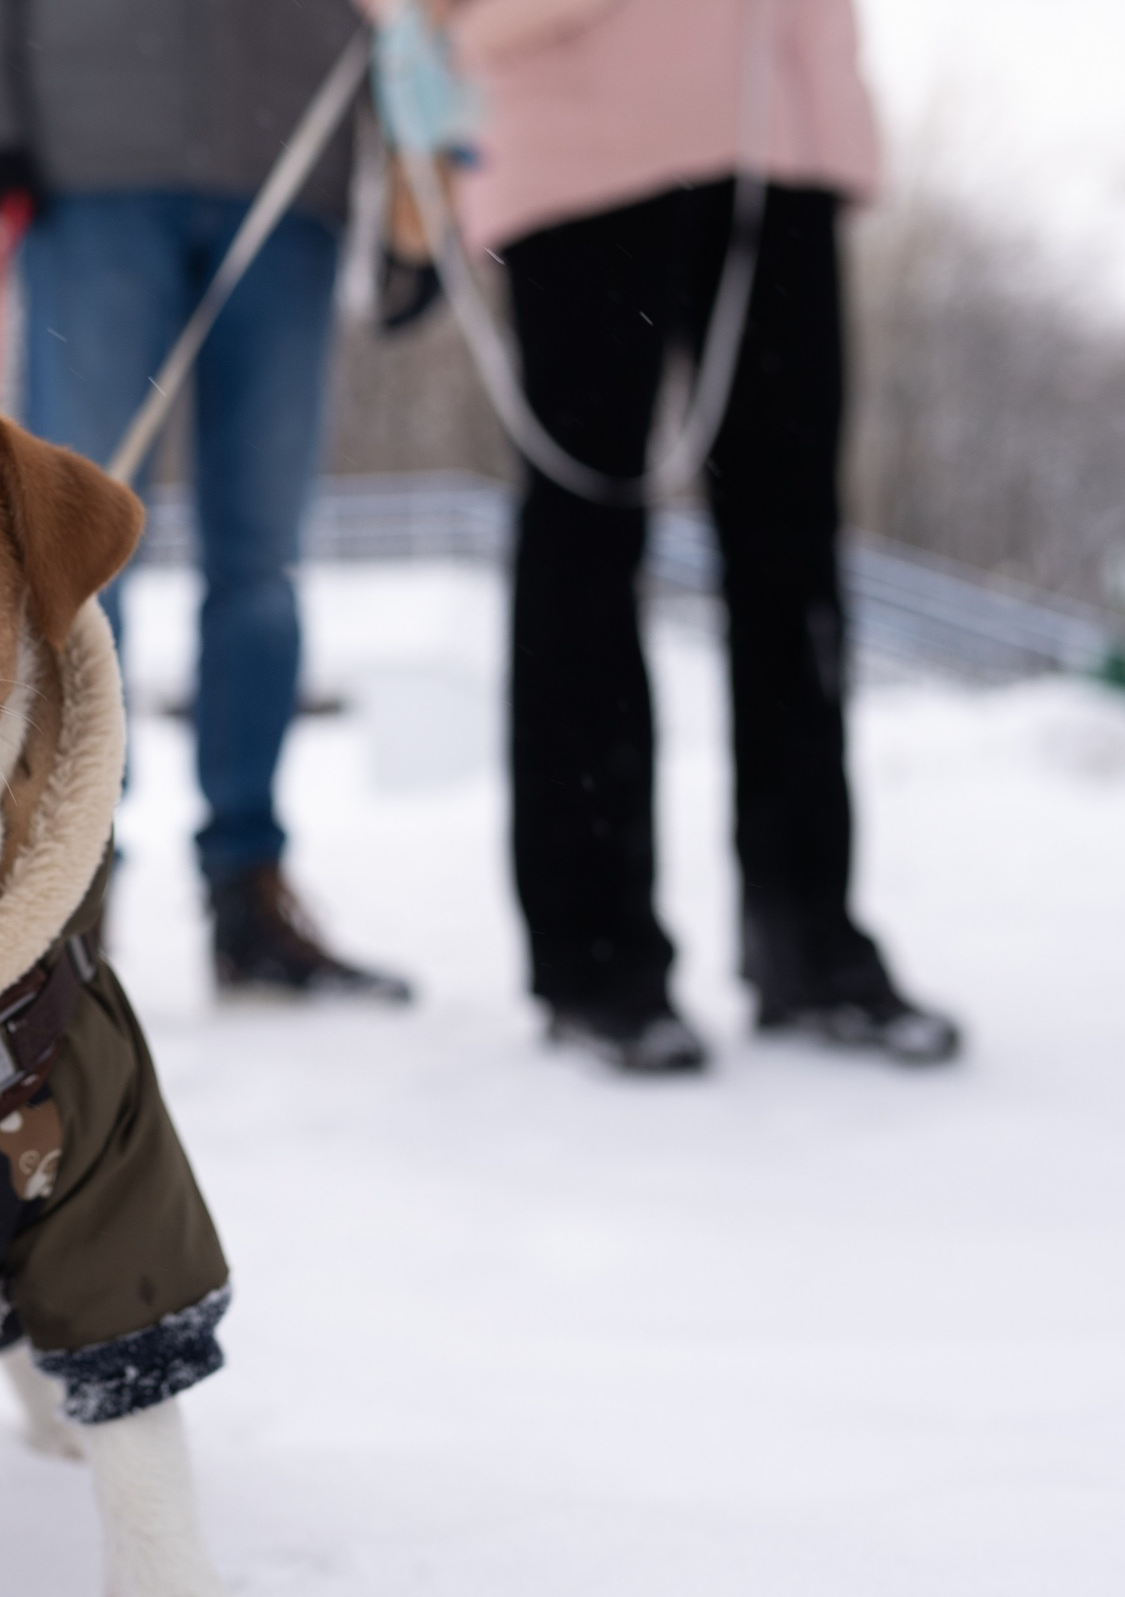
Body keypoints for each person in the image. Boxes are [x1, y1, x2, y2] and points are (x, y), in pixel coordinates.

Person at [422, 0, 959, 1069]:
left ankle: (805, 928)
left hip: (783, 136)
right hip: (583, 140)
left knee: (794, 547)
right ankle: (595, 952)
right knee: (585, 542)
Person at [0, 0, 413, 1004]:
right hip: (90, 159)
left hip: (292, 159)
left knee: (264, 558)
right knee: (79, 552)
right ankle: (70, 879)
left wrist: (418, 181)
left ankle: (249, 885)